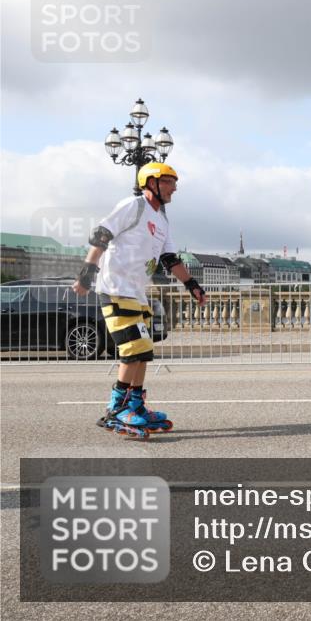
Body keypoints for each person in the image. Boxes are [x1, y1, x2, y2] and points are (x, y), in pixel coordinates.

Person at [73, 162, 206, 439]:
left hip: (137, 292)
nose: (175, 187)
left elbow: (170, 259)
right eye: (170, 181)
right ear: (152, 182)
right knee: (133, 348)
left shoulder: (162, 220)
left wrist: (191, 284)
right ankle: (116, 410)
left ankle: (135, 404)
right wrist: (87, 273)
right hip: (116, 288)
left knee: (144, 350)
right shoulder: (134, 206)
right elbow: (101, 234)